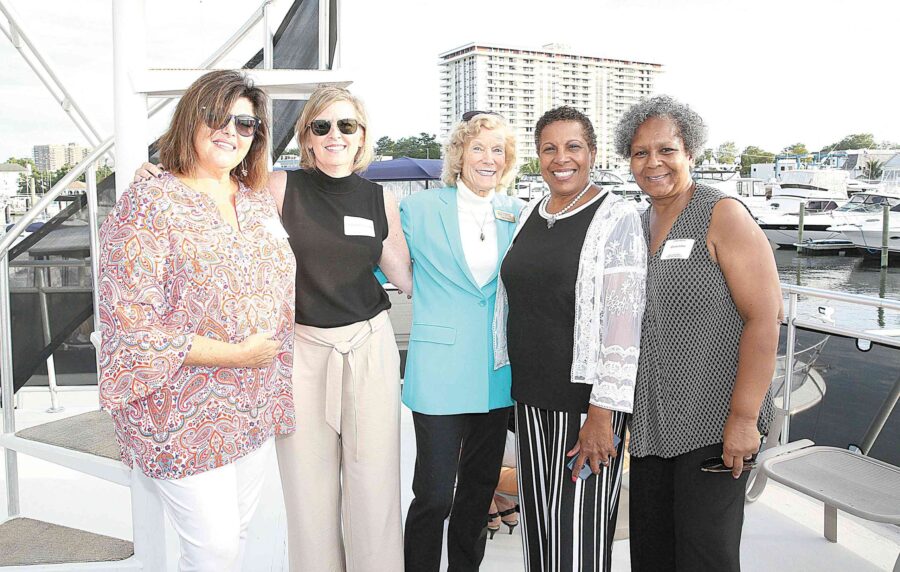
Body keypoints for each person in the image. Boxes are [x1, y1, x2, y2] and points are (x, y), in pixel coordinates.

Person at [135, 85, 410, 572]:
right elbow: (212, 197)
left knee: (375, 486)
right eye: (321, 126)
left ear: (362, 135)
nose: (334, 136)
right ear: (306, 136)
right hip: (299, 351)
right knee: (308, 491)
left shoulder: (380, 198)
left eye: (346, 125)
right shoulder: (280, 188)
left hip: (369, 346)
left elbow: (407, 278)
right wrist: (159, 177)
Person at [98, 70, 296, 572]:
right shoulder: (148, 203)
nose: (230, 130)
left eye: (246, 123)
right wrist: (235, 354)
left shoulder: (255, 204)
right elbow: (130, 322)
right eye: (217, 116)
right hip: (178, 405)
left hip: (252, 402)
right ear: (191, 118)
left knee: (237, 537)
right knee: (215, 549)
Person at [614, 95, 780, 572]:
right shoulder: (638, 222)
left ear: (690, 152)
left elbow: (764, 319)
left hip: (714, 422)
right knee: (652, 554)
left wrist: (745, 418)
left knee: (706, 556)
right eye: (641, 152)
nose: (654, 162)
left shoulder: (720, 213)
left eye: (666, 149)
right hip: (652, 427)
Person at [493, 106, 647, 571]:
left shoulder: (616, 217)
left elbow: (625, 322)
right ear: (538, 157)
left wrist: (603, 412)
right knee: (540, 530)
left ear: (593, 153)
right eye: (550, 148)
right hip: (530, 399)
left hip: (585, 406)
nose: (562, 158)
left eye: (573, 146)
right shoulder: (530, 215)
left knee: (578, 537)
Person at [399, 111, 523, 571]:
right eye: (478, 148)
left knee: (476, 494)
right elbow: (380, 266)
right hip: (438, 373)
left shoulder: (517, 211)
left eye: (498, 150)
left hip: (495, 375)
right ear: (459, 154)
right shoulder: (418, 209)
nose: (488, 158)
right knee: (433, 496)